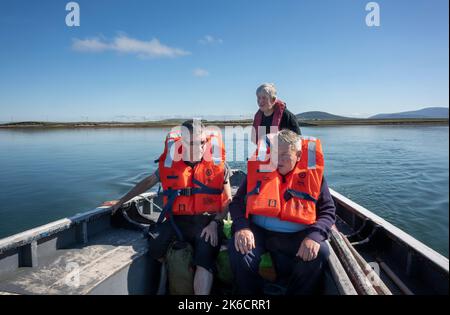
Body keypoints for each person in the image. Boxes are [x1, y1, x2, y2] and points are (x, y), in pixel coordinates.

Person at [104, 119, 232, 295]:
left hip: (206, 222)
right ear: (182, 141)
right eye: (193, 143)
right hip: (177, 221)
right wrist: (121, 201)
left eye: (202, 142)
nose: (200, 148)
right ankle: (174, 275)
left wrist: (215, 223)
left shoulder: (219, 164)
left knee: (204, 259)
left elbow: (228, 200)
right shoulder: (171, 162)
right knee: (155, 247)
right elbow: (147, 182)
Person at [228, 129, 335, 294]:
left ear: (298, 155)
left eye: (284, 154)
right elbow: (236, 203)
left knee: (320, 251)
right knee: (239, 249)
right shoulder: (258, 171)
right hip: (259, 231)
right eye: (275, 153)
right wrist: (242, 227)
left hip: (298, 235)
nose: (277, 159)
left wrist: (314, 236)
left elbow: (328, 211)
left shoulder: (314, 177)